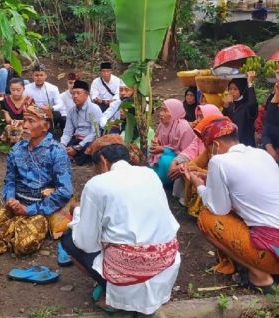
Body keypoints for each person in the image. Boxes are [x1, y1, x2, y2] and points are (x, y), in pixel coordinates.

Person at [183, 117, 279, 293]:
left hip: (270, 255)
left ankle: (259, 275)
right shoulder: (261, 154)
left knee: (206, 218)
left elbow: (218, 208)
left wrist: (198, 184)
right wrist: (210, 180)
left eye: (208, 148)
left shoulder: (219, 162)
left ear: (215, 144)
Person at [61, 134, 180, 315]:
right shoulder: (149, 174)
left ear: (102, 160)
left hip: (129, 275)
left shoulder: (97, 184)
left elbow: (85, 242)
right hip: (165, 264)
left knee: (69, 239)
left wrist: (78, 213)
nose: (96, 172)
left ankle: (110, 290)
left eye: (96, 167)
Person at [0, 105, 73, 258]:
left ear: (45, 126)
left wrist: (28, 210)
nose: (26, 125)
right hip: (16, 206)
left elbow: (65, 191)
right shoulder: (17, 149)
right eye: (25, 120)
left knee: (24, 244)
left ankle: (4, 234)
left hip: (39, 210)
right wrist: (10, 199)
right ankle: (8, 232)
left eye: (31, 121)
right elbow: (10, 180)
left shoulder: (56, 151)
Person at [168, 104, 222, 207]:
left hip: (213, 173)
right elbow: (190, 151)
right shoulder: (200, 135)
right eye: (198, 116)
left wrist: (186, 167)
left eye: (202, 116)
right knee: (176, 163)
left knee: (187, 170)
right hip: (199, 165)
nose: (198, 120)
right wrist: (176, 161)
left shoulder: (220, 139)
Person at [148, 99, 195, 185]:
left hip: (179, 157)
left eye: (165, 110)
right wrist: (155, 142)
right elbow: (157, 137)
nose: (161, 113)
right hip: (166, 152)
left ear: (174, 112)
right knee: (148, 150)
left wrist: (163, 149)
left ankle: (166, 183)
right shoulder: (163, 124)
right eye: (161, 110)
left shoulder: (183, 128)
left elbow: (187, 152)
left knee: (165, 161)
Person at [60, 80, 103, 165]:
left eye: (78, 93)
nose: (75, 96)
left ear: (86, 95)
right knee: (61, 147)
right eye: (73, 93)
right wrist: (62, 145)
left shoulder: (94, 109)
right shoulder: (71, 111)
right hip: (76, 139)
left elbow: (95, 133)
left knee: (89, 147)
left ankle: (74, 157)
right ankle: (70, 155)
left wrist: (77, 148)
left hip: (89, 140)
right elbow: (67, 132)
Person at [24, 64, 65, 130]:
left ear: (45, 76)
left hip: (47, 112)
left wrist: (51, 108)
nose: (39, 77)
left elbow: (60, 104)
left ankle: (50, 133)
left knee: (57, 114)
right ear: (32, 76)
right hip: (32, 113)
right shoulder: (26, 88)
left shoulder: (53, 88)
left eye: (41, 75)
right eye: (36, 75)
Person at [222, 71, 258, 147]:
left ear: (242, 90)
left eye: (235, 89)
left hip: (246, 147)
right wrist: (225, 106)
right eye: (230, 89)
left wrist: (250, 83)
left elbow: (252, 103)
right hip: (231, 146)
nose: (232, 92)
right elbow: (224, 122)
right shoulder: (230, 104)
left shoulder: (247, 107)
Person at [0, 78, 34, 144]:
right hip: (12, 126)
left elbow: (31, 119)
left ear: (23, 89)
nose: (15, 92)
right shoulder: (6, 100)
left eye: (18, 90)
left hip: (26, 125)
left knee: (24, 130)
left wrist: (20, 122)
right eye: (13, 90)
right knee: (10, 128)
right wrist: (13, 122)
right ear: (9, 89)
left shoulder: (29, 100)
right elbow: (8, 120)